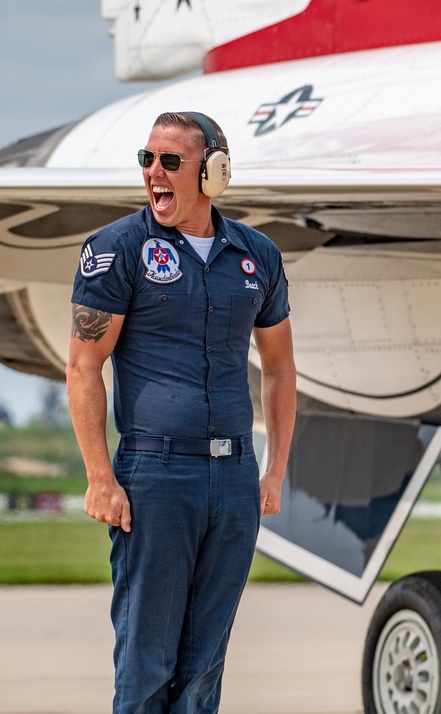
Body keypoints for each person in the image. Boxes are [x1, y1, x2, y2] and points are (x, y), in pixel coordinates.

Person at [65, 111, 296, 713]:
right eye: (147, 160)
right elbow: (84, 366)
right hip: (155, 479)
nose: (154, 174)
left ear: (214, 171)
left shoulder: (257, 255)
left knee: (203, 671)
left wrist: (272, 473)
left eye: (170, 161)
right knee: (146, 666)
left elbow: (279, 368)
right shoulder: (118, 249)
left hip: (235, 479)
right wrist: (100, 477)